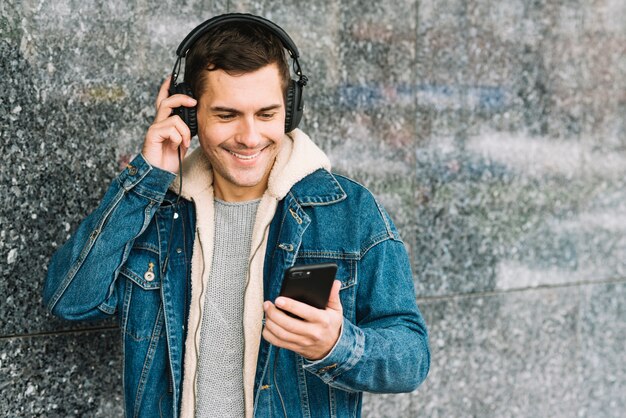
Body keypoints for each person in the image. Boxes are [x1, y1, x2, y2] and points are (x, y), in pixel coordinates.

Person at [43, 13, 430, 418]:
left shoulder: (350, 213)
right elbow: (70, 300)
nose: (249, 137)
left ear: (291, 110)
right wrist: (145, 180)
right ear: (189, 117)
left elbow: (411, 357)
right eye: (227, 115)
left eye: (266, 114)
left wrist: (338, 345)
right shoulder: (153, 211)